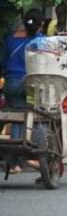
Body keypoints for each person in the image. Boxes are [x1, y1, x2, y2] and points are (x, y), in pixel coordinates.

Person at [1, 9, 45, 174]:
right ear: (40, 25)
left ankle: (14, 163)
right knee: (36, 116)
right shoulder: (41, 41)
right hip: (32, 85)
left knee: (17, 118)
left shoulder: (11, 40)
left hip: (12, 84)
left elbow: (3, 62)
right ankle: (31, 155)